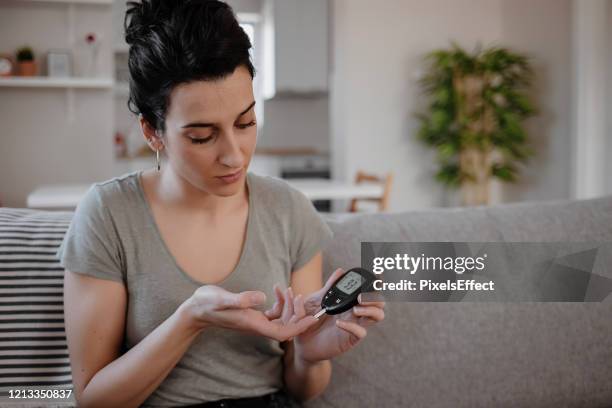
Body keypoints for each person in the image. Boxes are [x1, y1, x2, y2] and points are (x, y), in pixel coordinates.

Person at [56, 1, 385, 407]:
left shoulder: (289, 211)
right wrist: (189, 319)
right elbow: (93, 399)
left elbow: (302, 389)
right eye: (201, 136)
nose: (234, 155)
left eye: (245, 123)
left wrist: (308, 354)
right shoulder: (108, 214)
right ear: (152, 131)